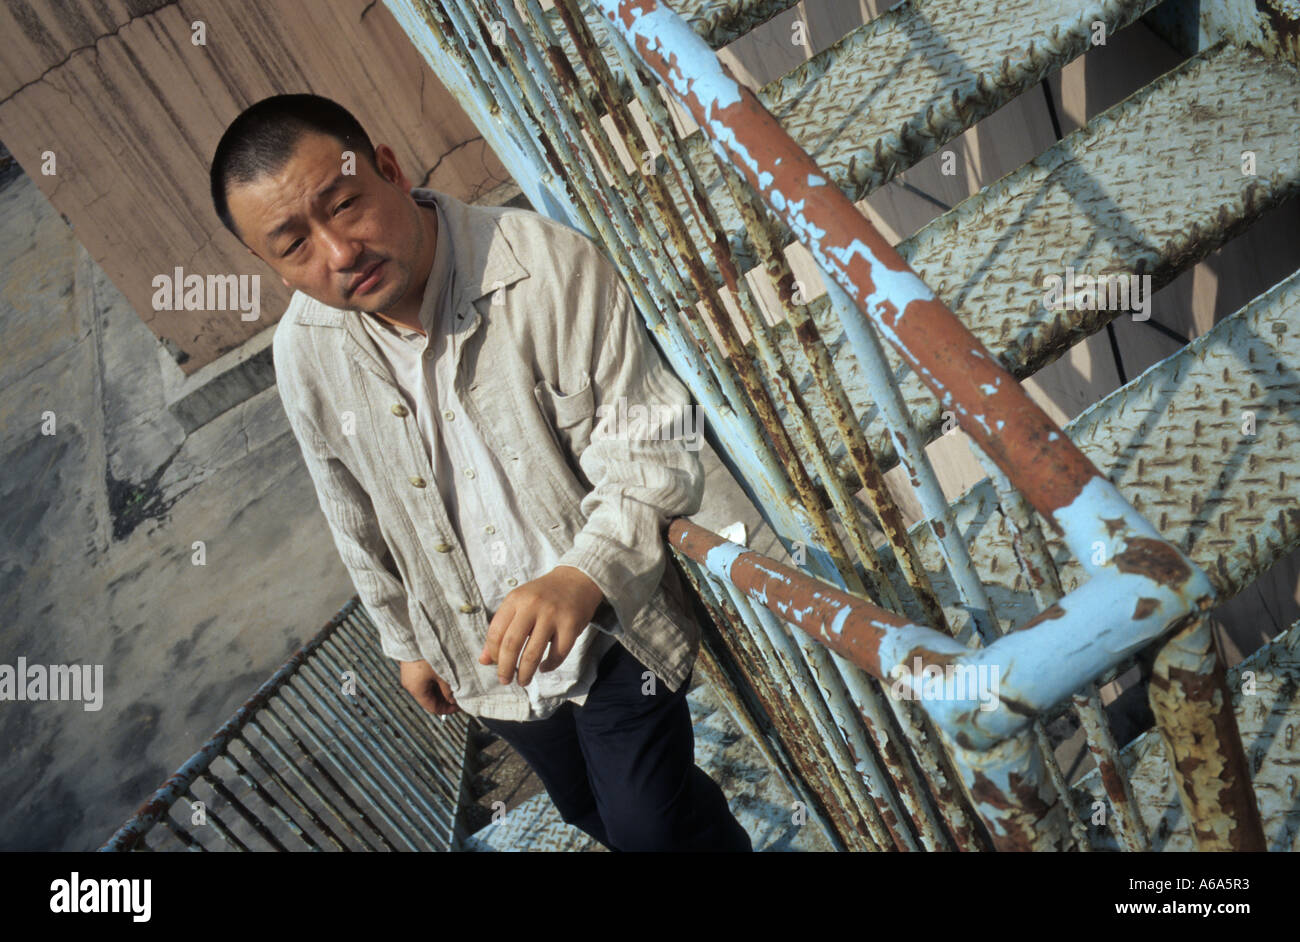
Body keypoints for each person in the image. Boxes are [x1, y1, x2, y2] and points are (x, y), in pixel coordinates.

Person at [209, 94, 752, 852]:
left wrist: (579, 575)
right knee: (586, 810)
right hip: (480, 653)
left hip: (609, 625)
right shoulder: (305, 352)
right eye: (294, 244)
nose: (339, 252)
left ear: (390, 170)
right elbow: (351, 510)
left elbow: (656, 443)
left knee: (647, 830)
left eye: (345, 205)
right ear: (270, 266)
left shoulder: (547, 266)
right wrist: (405, 640)